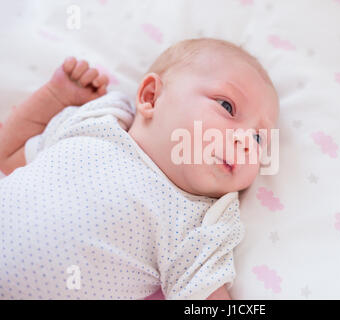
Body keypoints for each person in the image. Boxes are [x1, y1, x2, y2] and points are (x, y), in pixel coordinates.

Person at [0, 38, 279, 299]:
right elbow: (8, 155)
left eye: (258, 138)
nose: (246, 142)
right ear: (151, 97)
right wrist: (53, 97)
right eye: (227, 106)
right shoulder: (100, 119)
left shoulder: (201, 223)